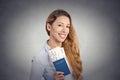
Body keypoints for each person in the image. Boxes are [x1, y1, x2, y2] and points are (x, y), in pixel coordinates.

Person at [30, 9, 82, 80]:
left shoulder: (70, 50)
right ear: (49, 27)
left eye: (67, 26)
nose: (64, 30)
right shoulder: (39, 58)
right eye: (60, 25)